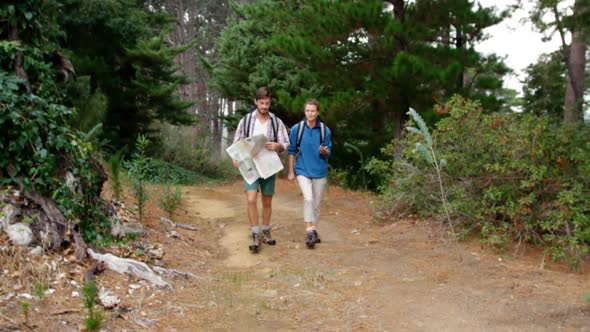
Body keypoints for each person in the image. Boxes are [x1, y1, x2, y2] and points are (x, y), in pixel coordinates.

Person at [233, 87, 289, 253]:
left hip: (268, 164)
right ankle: (255, 233)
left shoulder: (276, 121)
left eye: (267, 103)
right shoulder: (246, 120)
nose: (265, 106)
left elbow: (286, 144)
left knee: (266, 200)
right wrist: (235, 158)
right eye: (262, 103)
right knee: (251, 198)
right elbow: (237, 140)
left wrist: (278, 145)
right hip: (250, 164)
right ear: (255, 102)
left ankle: (266, 230)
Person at [287, 99, 332, 249]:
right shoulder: (297, 129)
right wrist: (291, 171)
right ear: (304, 112)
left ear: (317, 112)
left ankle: (314, 229)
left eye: (313, 111)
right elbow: (291, 151)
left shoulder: (325, 130)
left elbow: (328, 151)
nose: (310, 113)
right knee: (308, 198)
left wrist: (325, 151)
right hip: (302, 170)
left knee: (317, 204)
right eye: (307, 111)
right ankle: (309, 230)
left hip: (319, 171)